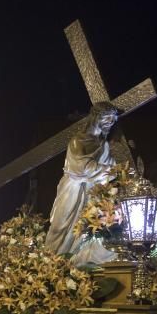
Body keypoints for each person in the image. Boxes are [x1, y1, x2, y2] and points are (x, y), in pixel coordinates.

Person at [44, 101, 120, 265]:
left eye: (113, 121)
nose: (110, 123)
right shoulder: (77, 141)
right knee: (61, 225)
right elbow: (80, 168)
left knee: (88, 226)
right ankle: (50, 264)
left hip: (93, 191)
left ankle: (79, 261)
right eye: (108, 119)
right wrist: (109, 170)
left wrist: (110, 172)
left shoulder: (104, 145)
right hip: (72, 189)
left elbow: (110, 170)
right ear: (97, 117)